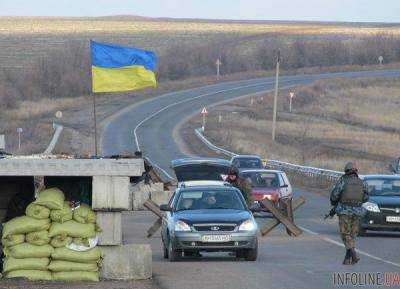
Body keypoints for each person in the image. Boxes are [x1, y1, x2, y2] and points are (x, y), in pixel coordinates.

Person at [330, 162, 368, 265]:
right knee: (352, 235)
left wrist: (335, 203)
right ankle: (348, 259)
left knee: (345, 234)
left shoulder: (343, 181)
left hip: (344, 211)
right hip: (358, 211)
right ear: (356, 171)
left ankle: (354, 254)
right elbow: (366, 197)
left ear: (346, 171)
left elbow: (334, 196)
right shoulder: (362, 182)